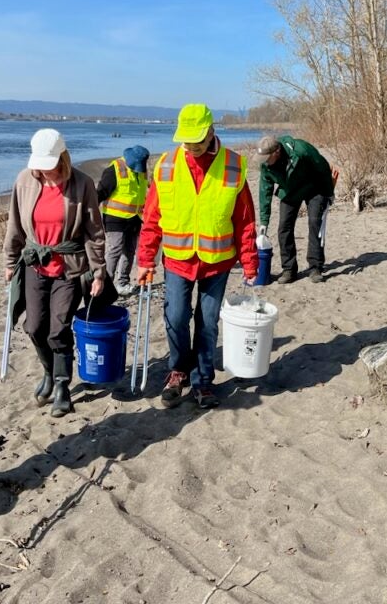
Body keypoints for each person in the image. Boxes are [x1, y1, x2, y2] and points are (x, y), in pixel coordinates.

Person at [136, 103, 259, 409]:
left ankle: (203, 381)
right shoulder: (165, 166)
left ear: (211, 132)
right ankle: (179, 371)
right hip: (177, 260)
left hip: (217, 262)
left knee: (207, 324)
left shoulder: (233, 166)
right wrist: (145, 259)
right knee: (176, 317)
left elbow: (245, 219)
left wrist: (250, 260)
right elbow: (152, 218)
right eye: (186, 141)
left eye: (197, 141)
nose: (191, 147)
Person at [3, 128, 106, 419]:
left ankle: (62, 385)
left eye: (48, 165)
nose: (43, 171)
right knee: (34, 326)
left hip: (69, 267)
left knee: (58, 328)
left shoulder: (82, 183)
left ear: (62, 157)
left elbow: (94, 231)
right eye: (39, 164)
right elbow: (14, 225)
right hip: (35, 263)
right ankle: (48, 372)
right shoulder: (24, 180)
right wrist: (10, 261)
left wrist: (98, 271)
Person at [256, 134, 335, 284]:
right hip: (290, 190)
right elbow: (264, 191)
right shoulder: (266, 165)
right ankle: (289, 269)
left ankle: (315, 267)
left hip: (314, 188)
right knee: (283, 228)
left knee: (314, 223)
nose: (264, 162)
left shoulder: (301, 150)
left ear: (276, 152)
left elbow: (323, 167)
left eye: (267, 158)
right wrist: (264, 222)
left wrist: (329, 193)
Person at [96, 145, 150, 296]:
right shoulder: (114, 170)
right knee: (115, 249)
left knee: (130, 251)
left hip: (134, 218)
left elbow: (145, 191)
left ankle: (123, 283)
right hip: (115, 218)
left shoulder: (142, 171)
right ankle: (106, 285)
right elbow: (99, 193)